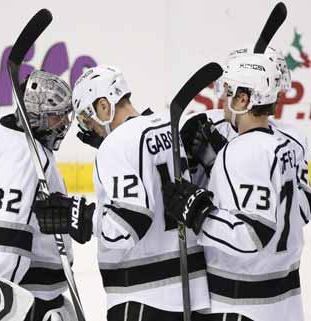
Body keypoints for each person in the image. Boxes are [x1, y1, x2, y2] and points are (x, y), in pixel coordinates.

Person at [33, 65, 210, 321]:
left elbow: (128, 226)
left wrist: (79, 216)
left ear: (104, 106)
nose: (88, 127)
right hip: (193, 295)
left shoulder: (117, 144)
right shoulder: (169, 127)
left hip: (142, 298)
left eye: (86, 117)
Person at [163, 53, 305, 321]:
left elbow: (254, 233)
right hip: (286, 300)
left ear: (244, 99)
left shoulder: (242, 151)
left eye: (228, 91)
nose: (222, 99)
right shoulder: (284, 146)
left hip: (244, 305)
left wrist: (199, 214)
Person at [0, 70, 77, 321]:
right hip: (21, 301)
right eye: (56, 116)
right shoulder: (24, 156)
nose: (64, 123)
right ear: (35, 117)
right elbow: (2, 236)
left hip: (9, 286)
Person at [180, 46, 310, 224]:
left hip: (236, 240)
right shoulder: (206, 123)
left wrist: (219, 165)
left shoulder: (295, 140)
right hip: (229, 240)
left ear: (243, 98)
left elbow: (301, 212)